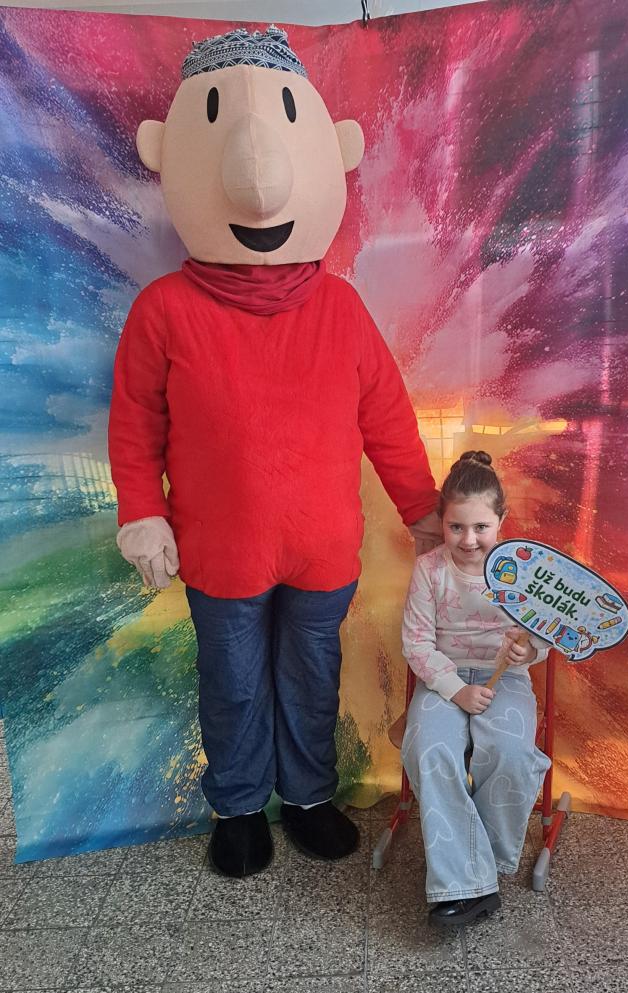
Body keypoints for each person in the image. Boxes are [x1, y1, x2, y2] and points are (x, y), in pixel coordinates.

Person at [108, 27, 441, 880]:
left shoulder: (341, 308)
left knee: (311, 675)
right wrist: (142, 511)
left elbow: (388, 420)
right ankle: (236, 804)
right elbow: (135, 424)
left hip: (322, 546)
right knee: (231, 681)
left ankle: (307, 796)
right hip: (220, 548)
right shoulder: (164, 310)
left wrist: (424, 511)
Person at [399, 451, 551, 925]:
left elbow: (544, 633)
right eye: (456, 527)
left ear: (502, 520)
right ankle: (469, 881)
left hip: (504, 676)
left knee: (509, 750)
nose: (469, 539)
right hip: (443, 676)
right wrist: (454, 690)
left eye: (481, 527)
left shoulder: (523, 571)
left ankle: (477, 865)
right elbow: (416, 642)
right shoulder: (430, 570)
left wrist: (531, 651)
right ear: (442, 523)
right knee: (430, 749)